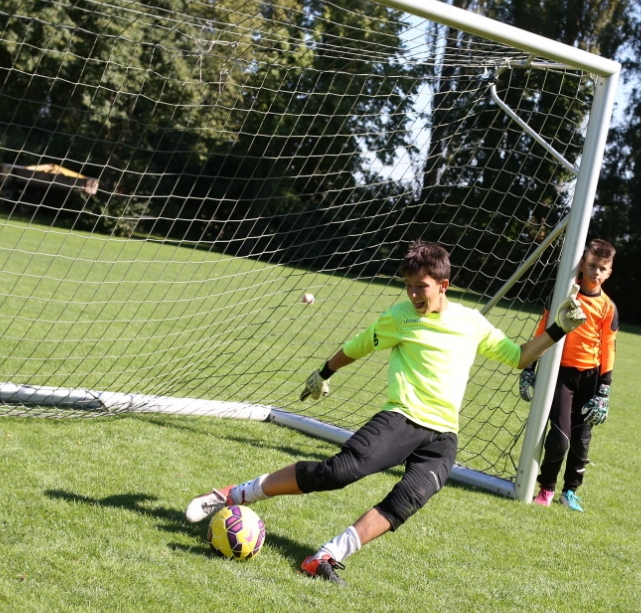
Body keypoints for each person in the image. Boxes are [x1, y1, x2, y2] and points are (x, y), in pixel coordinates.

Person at [186, 240, 587, 585]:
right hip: (401, 418)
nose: (413, 294)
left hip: (443, 436)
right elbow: (358, 346)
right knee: (337, 473)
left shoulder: (471, 322)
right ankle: (232, 494)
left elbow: (518, 357)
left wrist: (559, 328)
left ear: (443, 285)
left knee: (407, 501)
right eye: (409, 286)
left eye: (422, 287)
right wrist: (323, 372)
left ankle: (324, 557)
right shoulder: (400, 318)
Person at [519, 238, 618, 512]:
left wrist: (604, 389)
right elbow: (543, 329)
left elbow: (608, 348)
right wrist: (530, 366)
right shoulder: (565, 294)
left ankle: (570, 492)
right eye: (592, 265)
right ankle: (546, 488)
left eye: (602, 268)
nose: (596, 272)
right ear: (583, 265)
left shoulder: (608, 307)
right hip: (560, 375)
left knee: (581, 442)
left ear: (609, 272)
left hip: (591, 378)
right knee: (559, 439)